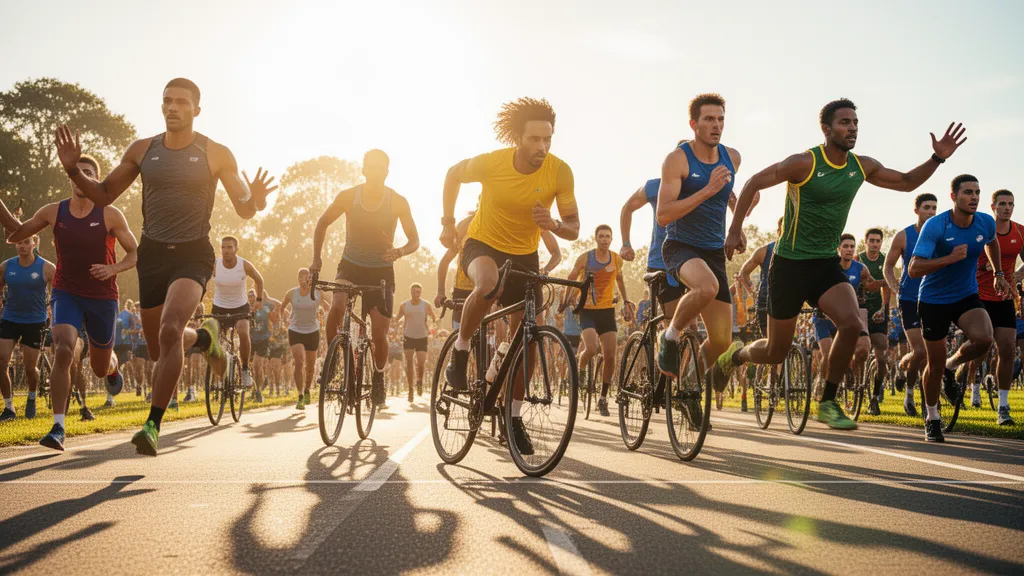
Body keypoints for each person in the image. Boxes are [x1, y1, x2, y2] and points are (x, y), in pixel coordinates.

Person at [53, 78, 277, 456]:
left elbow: (243, 206)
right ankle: (204, 340)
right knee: (161, 348)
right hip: (153, 254)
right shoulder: (143, 149)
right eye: (167, 101)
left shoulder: (216, 153)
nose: (173, 107)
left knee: (171, 329)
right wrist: (75, 170)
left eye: (181, 102)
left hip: (192, 254)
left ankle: (152, 426)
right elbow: (105, 194)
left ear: (196, 110)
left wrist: (255, 201)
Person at [726, 98, 967, 430]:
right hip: (789, 265)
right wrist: (735, 229)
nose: (852, 128)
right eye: (844, 123)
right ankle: (737, 355)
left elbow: (907, 182)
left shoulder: (861, 166)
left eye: (855, 122)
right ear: (826, 129)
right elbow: (753, 181)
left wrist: (937, 158)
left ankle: (827, 402)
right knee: (776, 351)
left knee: (852, 324)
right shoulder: (804, 163)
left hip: (825, 264)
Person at [439, 97, 580, 455]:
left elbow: (574, 227)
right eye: (534, 139)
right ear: (519, 137)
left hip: (524, 255)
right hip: (482, 244)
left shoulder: (560, 172)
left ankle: (512, 416)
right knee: (485, 285)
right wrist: (446, 222)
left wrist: (555, 225)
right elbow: (452, 174)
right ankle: (460, 350)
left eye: (547, 139)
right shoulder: (492, 163)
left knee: (530, 334)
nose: (541, 147)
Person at [1, 154, 139, 449]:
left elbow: (134, 254)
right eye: (79, 173)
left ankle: (113, 367)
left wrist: (112, 269)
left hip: (102, 296)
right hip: (66, 292)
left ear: (96, 182)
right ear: (71, 178)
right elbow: (16, 233)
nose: (83, 178)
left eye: (90, 174)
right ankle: (58, 427)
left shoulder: (110, 214)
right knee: (63, 347)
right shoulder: (54, 212)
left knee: (100, 369)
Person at [654, 94, 745, 403]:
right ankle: (670, 336)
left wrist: (738, 228)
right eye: (708, 119)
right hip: (680, 246)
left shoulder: (732, 157)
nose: (716, 125)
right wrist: (707, 190)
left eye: (720, 119)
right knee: (706, 287)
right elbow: (663, 214)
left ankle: (689, 387)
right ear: (693, 124)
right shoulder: (677, 159)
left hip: (714, 251)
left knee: (721, 341)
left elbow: (728, 199)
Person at [311, 150, 418, 407]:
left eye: (380, 168)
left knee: (379, 334)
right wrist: (317, 259)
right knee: (336, 308)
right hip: (350, 265)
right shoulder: (349, 197)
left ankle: (378, 377)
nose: (375, 172)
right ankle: (336, 360)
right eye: (371, 167)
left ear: (387, 172)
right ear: (363, 169)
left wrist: (400, 251)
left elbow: (415, 240)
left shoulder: (397, 201)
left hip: (381, 271)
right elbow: (323, 222)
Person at [909, 174, 1005, 442]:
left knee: (985, 339)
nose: (974, 197)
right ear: (954, 197)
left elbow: (992, 241)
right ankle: (932, 417)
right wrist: (949, 258)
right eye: (968, 192)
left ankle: (953, 365)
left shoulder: (985, 221)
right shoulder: (935, 226)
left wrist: (998, 272)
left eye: (977, 192)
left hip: (965, 295)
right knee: (934, 365)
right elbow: (914, 269)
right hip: (933, 300)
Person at [619, 176, 690, 406]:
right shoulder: (655, 185)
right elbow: (627, 207)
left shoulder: (701, 186)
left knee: (690, 330)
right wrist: (626, 243)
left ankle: (674, 385)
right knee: (675, 323)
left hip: (691, 263)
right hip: (661, 264)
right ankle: (667, 384)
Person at [966, 189, 1019, 425]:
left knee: (1007, 349)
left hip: (1005, 298)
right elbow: (965, 259)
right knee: (982, 347)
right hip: (978, 296)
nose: (1007, 208)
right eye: (1002, 204)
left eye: (1011, 204)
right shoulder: (980, 229)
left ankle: (1003, 407)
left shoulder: (1019, 231)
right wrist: (985, 269)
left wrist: (1015, 277)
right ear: (993, 207)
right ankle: (974, 384)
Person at [568, 225, 632, 417]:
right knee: (591, 348)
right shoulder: (586, 258)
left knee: (611, 355)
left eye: (608, 237)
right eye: (601, 236)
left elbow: (620, 280)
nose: (605, 239)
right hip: (587, 310)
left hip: (606, 311)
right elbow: (572, 277)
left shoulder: (615, 259)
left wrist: (626, 300)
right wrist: (569, 297)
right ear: (595, 238)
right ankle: (580, 372)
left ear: (611, 239)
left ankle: (602, 398)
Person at [883, 193, 938, 417]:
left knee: (930, 354)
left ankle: (904, 370)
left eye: (935, 208)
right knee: (920, 350)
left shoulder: (940, 234)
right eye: (927, 207)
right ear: (917, 210)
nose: (932, 212)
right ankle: (909, 393)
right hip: (909, 299)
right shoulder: (903, 236)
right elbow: (887, 267)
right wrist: (896, 287)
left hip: (934, 298)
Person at [811, 234, 882, 392]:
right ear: (839, 249)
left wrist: (885, 285)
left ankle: (846, 377)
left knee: (847, 352)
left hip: (844, 317)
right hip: (823, 317)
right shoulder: (829, 267)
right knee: (828, 353)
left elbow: (870, 285)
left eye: (852, 246)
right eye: (846, 246)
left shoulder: (861, 269)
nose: (849, 250)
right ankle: (822, 380)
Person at [0, 236, 54, 422]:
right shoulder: (7, 266)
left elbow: (59, 293)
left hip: (35, 322)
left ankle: (32, 396)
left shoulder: (46, 267)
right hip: (10, 319)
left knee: (30, 368)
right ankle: (9, 408)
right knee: (1, 362)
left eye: (26, 242)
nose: (22, 246)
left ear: (35, 243)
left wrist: (56, 316)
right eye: (19, 243)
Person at [210, 236, 265, 390]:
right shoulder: (215, 264)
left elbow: (259, 280)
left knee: (243, 331)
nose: (225, 251)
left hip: (240, 307)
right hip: (219, 307)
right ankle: (218, 375)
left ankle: (246, 369)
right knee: (213, 339)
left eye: (229, 247)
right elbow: (202, 279)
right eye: (223, 247)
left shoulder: (244, 265)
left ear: (236, 249)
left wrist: (259, 300)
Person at [282, 269, 331, 409]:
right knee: (299, 361)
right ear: (298, 279)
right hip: (295, 330)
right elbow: (282, 306)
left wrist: (331, 312)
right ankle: (300, 395)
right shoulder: (292, 293)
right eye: (301, 277)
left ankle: (308, 389)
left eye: (307, 277)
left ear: (311, 279)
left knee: (310, 366)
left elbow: (328, 305)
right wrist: (283, 320)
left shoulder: (317, 293)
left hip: (312, 331)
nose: (304, 280)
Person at [855, 228, 891, 415]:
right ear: (866, 241)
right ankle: (856, 385)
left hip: (877, 313)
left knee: (881, 356)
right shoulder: (857, 259)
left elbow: (887, 287)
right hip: (859, 311)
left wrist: (883, 310)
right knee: (860, 352)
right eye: (872, 240)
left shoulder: (886, 261)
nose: (875, 244)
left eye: (878, 241)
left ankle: (875, 397)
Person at [396, 283, 436, 402]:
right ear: (411, 292)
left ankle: (419, 381)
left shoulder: (426, 305)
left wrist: (435, 324)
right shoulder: (404, 305)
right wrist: (393, 321)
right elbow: (397, 317)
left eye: (418, 292)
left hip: (422, 337)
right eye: (414, 292)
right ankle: (410, 389)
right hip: (408, 336)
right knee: (409, 362)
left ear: (421, 293)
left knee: (421, 363)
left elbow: (434, 317)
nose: (416, 294)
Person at [249, 289, 278, 403]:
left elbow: (276, 306)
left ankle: (258, 392)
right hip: (250, 340)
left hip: (262, 339)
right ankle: (255, 387)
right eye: (249, 296)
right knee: (251, 367)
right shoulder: (246, 309)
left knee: (257, 365)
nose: (251, 298)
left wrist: (265, 297)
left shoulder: (264, 307)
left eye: (253, 296)